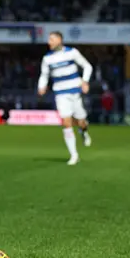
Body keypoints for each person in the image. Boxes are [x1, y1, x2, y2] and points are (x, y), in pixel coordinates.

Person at [37, 31, 93, 165]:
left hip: (75, 91)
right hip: (60, 93)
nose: (49, 42)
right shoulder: (47, 59)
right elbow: (44, 75)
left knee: (81, 121)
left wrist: (85, 81)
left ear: (59, 40)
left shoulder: (72, 52)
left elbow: (87, 66)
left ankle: (83, 131)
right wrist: (41, 86)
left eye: (51, 39)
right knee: (66, 122)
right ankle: (74, 155)